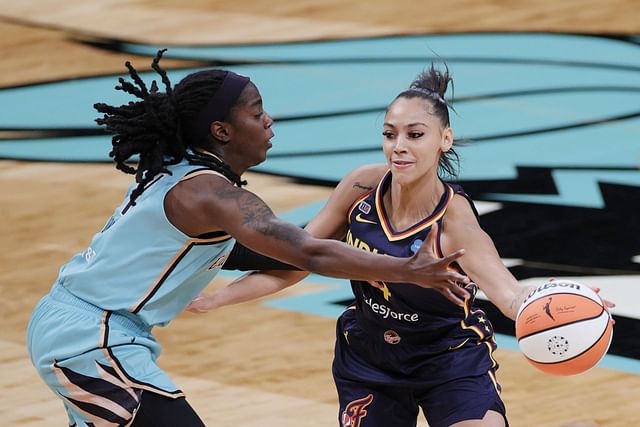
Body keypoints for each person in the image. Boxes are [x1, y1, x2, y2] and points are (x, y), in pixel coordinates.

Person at [25, 51, 471, 427]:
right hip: (92, 340)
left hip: (76, 327)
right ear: (222, 131)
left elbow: (268, 251)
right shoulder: (211, 195)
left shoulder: (180, 173)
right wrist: (406, 269)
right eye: (256, 113)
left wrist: (331, 231)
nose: (269, 121)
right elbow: (306, 250)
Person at [186, 64, 612, 427]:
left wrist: (559, 298)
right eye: (390, 134)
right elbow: (301, 256)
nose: (399, 147)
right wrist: (218, 299)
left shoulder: (456, 221)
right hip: (369, 359)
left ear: (444, 140)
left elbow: (508, 293)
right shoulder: (361, 185)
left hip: (447, 357)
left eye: (415, 134)